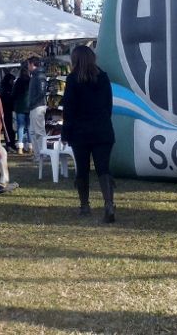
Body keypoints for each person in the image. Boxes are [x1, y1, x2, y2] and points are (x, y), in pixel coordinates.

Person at [61, 45, 116, 223]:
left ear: (75, 59)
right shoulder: (103, 77)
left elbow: (69, 109)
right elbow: (109, 105)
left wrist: (66, 133)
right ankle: (109, 203)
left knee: (82, 169)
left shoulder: (72, 79)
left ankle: (84, 206)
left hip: (80, 131)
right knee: (103, 168)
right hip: (103, 129)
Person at [27, 56, 47, 164]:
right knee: (33, 132)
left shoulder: (39, 76)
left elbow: (42, 92)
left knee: (39, 132)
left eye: (28, 64)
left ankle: (43, 155)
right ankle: (37, 155)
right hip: (34, 107)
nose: (27, 66)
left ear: (32, 64)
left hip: (38, 107)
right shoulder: (35, 75)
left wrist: (33, 102)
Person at [12, 64, 31, 154]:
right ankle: (31, 146)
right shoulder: (30, 81)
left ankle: (20, 147)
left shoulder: (17, 82)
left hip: (20, 107)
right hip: (30, 107)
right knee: (29, 127)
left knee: (20, 127)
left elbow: (13, 94)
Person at [0, 72, 17, 152]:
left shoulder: (4, 88)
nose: (13, 82)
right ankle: (9, 144)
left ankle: (11, 144)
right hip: (6, 110)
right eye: (12, 80)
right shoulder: (5, 88)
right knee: (8, 128)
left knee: (10, 129)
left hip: (8, 110)